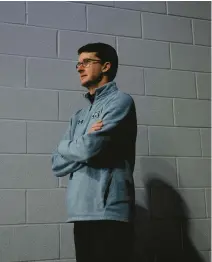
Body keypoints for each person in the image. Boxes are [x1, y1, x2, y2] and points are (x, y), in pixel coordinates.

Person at [51, 43, 137, 262]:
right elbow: (56, 164)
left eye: (87, 62)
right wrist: (74, 146)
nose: (80, 67)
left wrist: (69, 146)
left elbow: (90, 148)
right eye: (78, 63)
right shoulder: (79, 115)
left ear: (106, 66)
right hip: (79, 210)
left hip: (109, 211)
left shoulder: (120, 101)